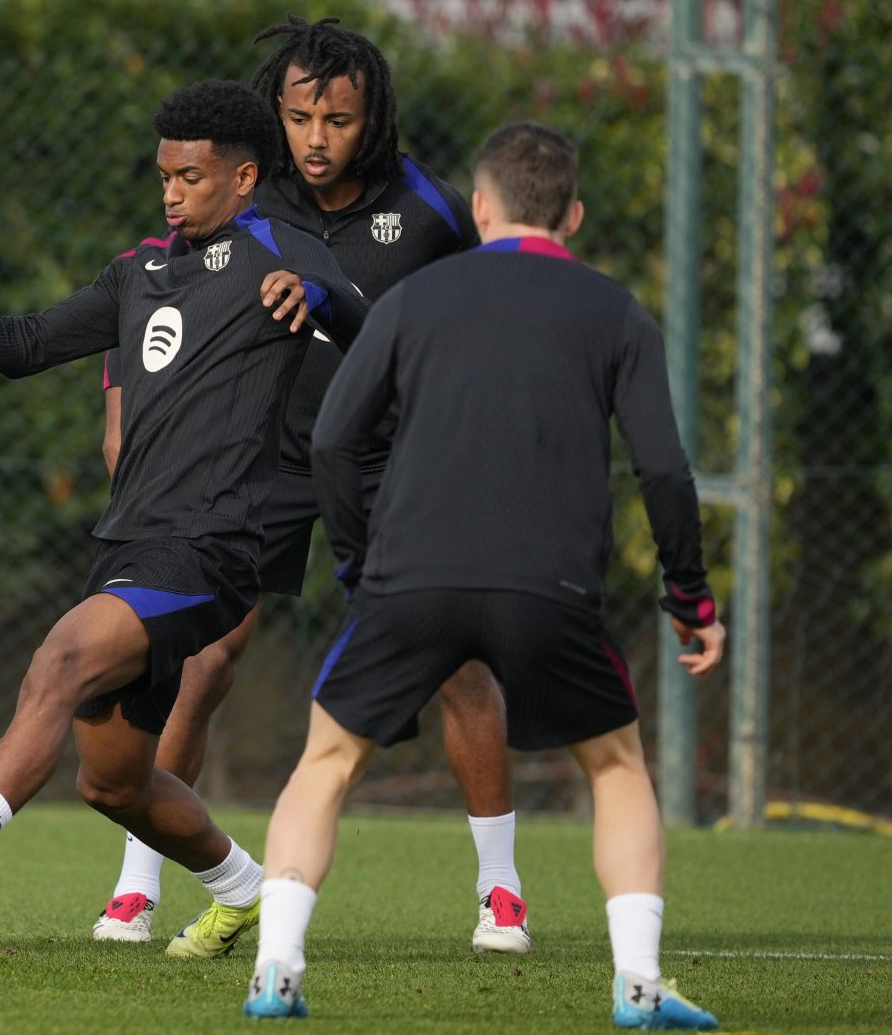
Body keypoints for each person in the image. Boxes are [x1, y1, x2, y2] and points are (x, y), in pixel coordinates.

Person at [241, 122, 724, 1030]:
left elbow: (335, 440)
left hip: (408, 578)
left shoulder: (415, 299)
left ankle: (277, 968)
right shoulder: (615, 310)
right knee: (617, 768)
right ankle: (637, 987)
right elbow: (663, 467)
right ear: (571, 216)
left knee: (328, 761)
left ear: (480, 208)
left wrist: (358, 562)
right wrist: (689, 595)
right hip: (553, 590)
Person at [0, 79, 369, 960]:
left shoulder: (281, 257)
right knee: (114, 782)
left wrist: (322, 301)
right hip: (131, 545)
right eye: (164, 176)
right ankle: (246, 892)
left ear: (246, 176)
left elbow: (371, 328)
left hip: (213, 549)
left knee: (60, 659)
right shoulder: (139, 271)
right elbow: (23, 346)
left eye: (190, 177)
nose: (172, 193)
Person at [93, 14, 526, 955]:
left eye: (336, 119)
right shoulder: (243, 196)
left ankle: (501, 892)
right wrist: (120, 406)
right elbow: (149, 289)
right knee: (201, 663)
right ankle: (139, 887)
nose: (316, 138)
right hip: (264, 460)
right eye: (298, 118)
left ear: (372, 116)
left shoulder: (432, 211)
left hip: (395, 459)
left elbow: (484, 318)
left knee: (455, 661)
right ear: (274, 117)